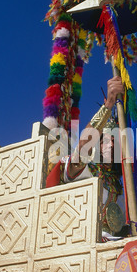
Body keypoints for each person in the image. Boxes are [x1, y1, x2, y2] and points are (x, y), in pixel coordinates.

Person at [47, 76, 128, 240]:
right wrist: (108, 106)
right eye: (106, 140)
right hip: (81, 237)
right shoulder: (83, 166)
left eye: (115, 142)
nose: (111, 146)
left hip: (112, 239)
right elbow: (83, 145)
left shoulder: (117, 185)